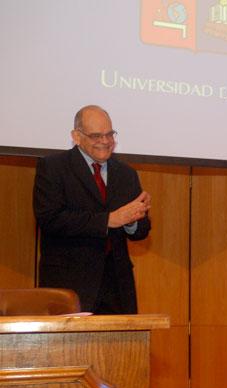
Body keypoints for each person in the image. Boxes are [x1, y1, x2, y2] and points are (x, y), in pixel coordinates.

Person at [34, 105, 151, 314]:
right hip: (70, 285)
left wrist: (132, 220)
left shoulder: (126, 173)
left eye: (109, 134)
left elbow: (141, 231)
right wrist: (108, 220)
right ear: (76, 136)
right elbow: (50, 219)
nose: (105, 141)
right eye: (96, 135)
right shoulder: (53, 167)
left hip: (117, 286)